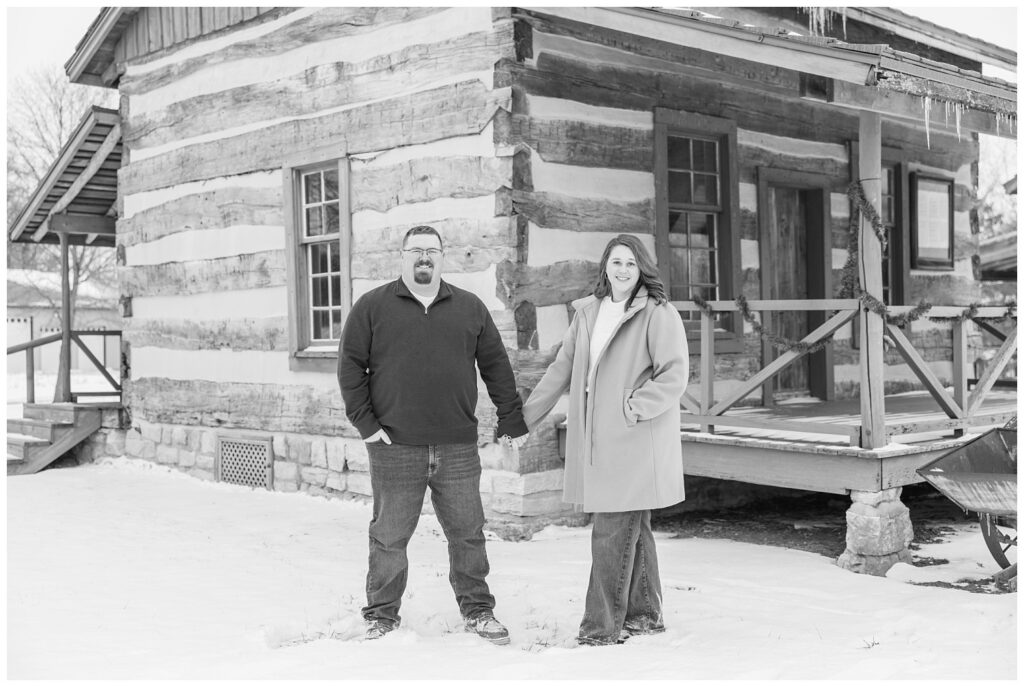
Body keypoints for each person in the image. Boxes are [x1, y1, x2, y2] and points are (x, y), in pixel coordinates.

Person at [338, 225, 528, 645]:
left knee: (468, 533)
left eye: (432, 250)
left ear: (443, 257)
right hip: (394, 444)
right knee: (389, 536)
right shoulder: (372, 307)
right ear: (402, 256)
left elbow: (496, 365)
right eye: (416, 250)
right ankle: (381, 616)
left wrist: (510, 417)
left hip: (457, 444)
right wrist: (366, 425)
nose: (424, 257)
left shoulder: (469, 308)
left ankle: (479, 611)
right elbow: (350, 367)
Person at [522, 234, 689, 646]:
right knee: (633, 525)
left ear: (642, 269)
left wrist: (634, 406)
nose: (623, 270)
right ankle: (645, 615)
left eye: (631, 263)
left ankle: (600, 628)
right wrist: (523, 419)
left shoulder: (657, 313)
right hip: (598, 439)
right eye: (616, 262)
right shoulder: (588, 313)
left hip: (633, 436)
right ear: (605, 267)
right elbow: (560, 370)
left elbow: (674, 373)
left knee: (611, 530)